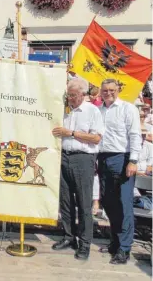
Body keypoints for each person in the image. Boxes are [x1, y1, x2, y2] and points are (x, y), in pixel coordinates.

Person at [51, 78, 104, 260]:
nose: (70, 99)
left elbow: (96, 138)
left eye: (73, 96)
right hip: (64, 157)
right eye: (68, 95)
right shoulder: (64, 110)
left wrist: (71, 133)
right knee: (65, 202)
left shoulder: (92, 111)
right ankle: (68, 236)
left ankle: (85, 243)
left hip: (83, 159)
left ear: (83, 95)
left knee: (83, 203)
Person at [98, 79, 142, 265]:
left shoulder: (128, 108)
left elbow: (135, 135)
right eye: (105, 90)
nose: (108, 93)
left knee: (124, 205)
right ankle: (115, 242)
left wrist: (133, 160)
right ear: (101, 91)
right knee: (109, 203)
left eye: (112, 90)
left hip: (122, 158)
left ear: (118, 90)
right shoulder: (98, 110)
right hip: (102, 158)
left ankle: (124, 249)